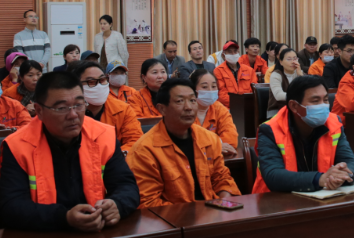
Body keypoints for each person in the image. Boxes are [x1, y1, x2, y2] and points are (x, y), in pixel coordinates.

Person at [0, 72, 139, 232]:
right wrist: (64, 218)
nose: (73, 115)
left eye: (79, 105)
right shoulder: (17, 146)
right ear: (39, 111)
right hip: (44, 237)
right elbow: (12, 207)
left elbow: (127, 186)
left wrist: (117, 205)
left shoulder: (102, 135)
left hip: (99, 231)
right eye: (61, 108)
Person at [127, 79, 240, 208]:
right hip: (174, 217)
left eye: (192, 100)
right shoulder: (144, 150)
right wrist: (196, 214)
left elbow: (222, 179)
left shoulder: (209, 139)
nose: (188, 107)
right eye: (179, 101)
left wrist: (225, 203)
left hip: (212, 212)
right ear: (162, 109)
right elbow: (148, 203)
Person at [255, 75, 354, 193]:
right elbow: (273, 175)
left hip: (322, 196)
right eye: (315, 101)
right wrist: (319, 179)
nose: (323, 105)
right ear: (294, 106)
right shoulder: (270, 130)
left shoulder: (334, 123)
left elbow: (351, 162)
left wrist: (343, 176)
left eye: (325, 100)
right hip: (276, 200)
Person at [71, 61, 143, 153]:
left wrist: (117, 156)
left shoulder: (123, 109)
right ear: (76, 85)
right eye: (91, 82)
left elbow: (135, 140)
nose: (99, 86)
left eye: (102, 80)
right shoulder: (68, 112)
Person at [189, 70, 239, 156]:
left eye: (213, 86)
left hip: (216, 159)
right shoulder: (185, 110)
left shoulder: (219, 108)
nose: (210, 90)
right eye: (204, 87)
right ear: (193, 89)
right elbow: (186, 143)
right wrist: (216, 146)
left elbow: (231, 139)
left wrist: (207, 147)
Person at [213, 40, 254, 107]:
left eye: (235, 51)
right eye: (229, 52)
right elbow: (221, 93)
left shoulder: (249, 70)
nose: (233, 54)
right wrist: (237, 103)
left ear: (238, 52)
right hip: (227, 107)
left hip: (247, 106)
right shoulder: (218, 71)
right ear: (224, 54)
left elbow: (254, 90)